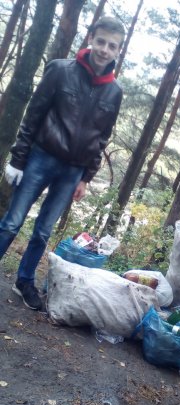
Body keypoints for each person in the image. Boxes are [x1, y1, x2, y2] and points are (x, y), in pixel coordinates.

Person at [0, 16, 125, 311]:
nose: (105, 50)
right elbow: (34, 114)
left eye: (112, 46)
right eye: (101, 41)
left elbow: (102, 137)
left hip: (73, 171)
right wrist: (18, 159)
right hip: (41, 157)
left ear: (118, 51)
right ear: (90, 39)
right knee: (12, 221)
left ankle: (24, 281)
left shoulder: (114, 92)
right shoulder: (60, 70)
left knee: (43, 231)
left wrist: (85, 177)